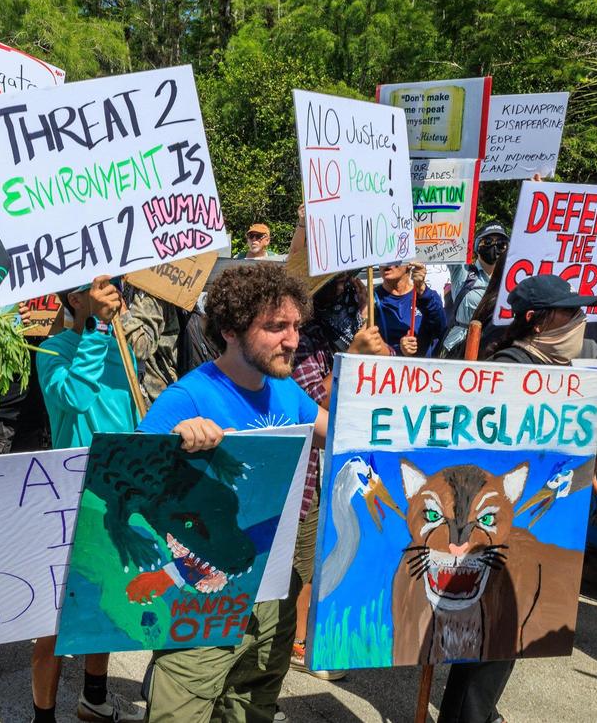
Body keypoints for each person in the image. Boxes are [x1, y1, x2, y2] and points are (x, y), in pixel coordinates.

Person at [139, 263, 329, 723]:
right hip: (207, 597)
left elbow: (340, 433)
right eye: (275, 327)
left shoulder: (286, 390)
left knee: (252, 706)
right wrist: (176, 442)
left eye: (295, 326)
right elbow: (131, 480)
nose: (292, 340)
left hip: (274, 593)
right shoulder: (188, 397)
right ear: (229, 329)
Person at [442, 273, 597, 723]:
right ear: (537, 320)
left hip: (537, 530)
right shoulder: (510, 368)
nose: (579, 320)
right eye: (569, 312)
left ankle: (476, 713)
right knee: (491, 638)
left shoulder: (559, 372)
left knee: (503, 639)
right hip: (499, 533)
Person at [32, 275, 142, 723]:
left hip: (119, 495)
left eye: (115, 283)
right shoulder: (52, 351)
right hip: (72, 496)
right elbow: (74, 398)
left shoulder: (122, 346)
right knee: (54, 621)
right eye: (100, 286)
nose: (114, 290)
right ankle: (43, 715)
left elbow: (133, 414)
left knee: (106, 606)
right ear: (76, 298)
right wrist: (96, 328)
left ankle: (93, 699)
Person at [288, 273, 387, 681]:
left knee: (322, 558)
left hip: (343, 464)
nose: (351, 300)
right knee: (299, 567)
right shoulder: (302, 336)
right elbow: (314, 402)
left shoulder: (350, 328)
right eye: (343, 289)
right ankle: (295, 641)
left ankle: (306, 634)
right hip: (306, 470)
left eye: (354, 292)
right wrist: (351, 356)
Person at [442, 221, 509, 356]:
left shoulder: (510, 281)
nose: (494, 247)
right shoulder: (462, 272)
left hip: (492, 350)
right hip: (458, 348)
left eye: (501, 244)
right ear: (477, 245)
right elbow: (448, 238)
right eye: (488, 241)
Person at [121, 286, 181, 402]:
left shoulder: (149, 292)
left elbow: (140, 348)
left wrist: (121, 312)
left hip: (152, 398)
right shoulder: (128, 286)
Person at [373, 262, 446, 356]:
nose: (387, 263)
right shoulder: (370, 300)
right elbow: (366, 344)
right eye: (383, 258)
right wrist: (399, 350)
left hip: (424, 368)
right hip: (388, 368)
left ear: (409, 264)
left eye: (395, 258)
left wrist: (422, 289)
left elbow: (441, 329)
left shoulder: (427, 296)